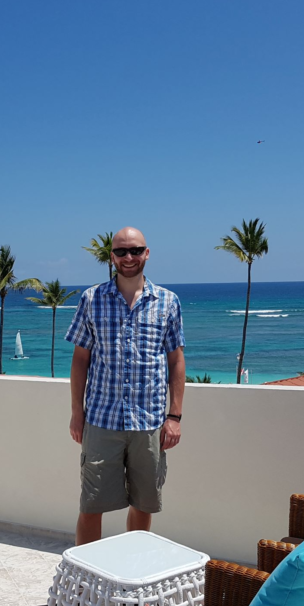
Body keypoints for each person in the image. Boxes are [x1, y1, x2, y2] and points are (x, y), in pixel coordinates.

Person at [65, 227, 186, 545]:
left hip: (149, 422)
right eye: (121, 251)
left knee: (143, 504)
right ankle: (86, 584)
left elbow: (176, 361)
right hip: (102, 420)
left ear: (147, 253)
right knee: (91, 506)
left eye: (135, 250)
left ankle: (132, 579)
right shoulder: (92, 299)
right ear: (111, 257)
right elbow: (80, 360)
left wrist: (174, 416)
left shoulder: (168, 302)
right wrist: (77, 413)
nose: (128, 257)